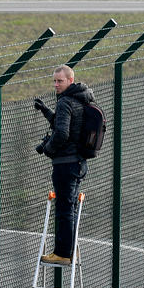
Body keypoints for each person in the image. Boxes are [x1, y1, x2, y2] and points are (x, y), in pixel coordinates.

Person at [33, 64, 93, 265]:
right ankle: (72, 250)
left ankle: (62, 253)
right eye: (54, 81)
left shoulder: (66, 102)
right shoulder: (81, 99)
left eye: (60, 81)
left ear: (70, 81)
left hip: (65, 165)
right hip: (78, 163)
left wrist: (48, 149)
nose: (56, 84)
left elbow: (62, 133)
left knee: (64, 209)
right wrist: (46, 111)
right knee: (71, 207)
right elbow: (68, 124)